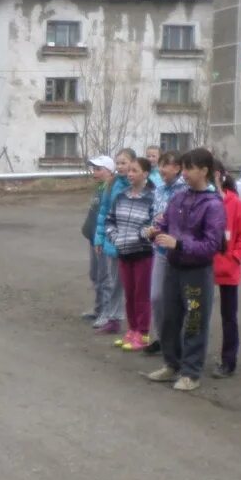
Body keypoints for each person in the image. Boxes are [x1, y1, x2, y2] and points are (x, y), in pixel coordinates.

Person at [144, 147, 226, 391]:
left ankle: (191, 372)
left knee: (194, 322)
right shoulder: (178, 198)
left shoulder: (213, 205)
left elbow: (212, 245)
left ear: (204, 171)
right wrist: (155, 232)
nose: (185, 173)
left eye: (190, 168)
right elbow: (166, 224)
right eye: (184, 167)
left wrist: (178, 243)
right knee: (169, 318)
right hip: (173, 266)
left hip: (197, 272)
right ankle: (172, 364)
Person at [105, 156, 156, 351]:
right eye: (130, 171)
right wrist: (115, 237)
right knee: (129, 294)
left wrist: (138, 236)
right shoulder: (121, 196)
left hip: (142, 253)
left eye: (135, 170)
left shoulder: (152, 197)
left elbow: (154, 225)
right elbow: (110, 221)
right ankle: (132, 329)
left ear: (146, 173)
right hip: (123, 252)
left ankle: (142, 333)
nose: (130, 174)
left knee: (141, 294)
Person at [212, 160, 241, 378]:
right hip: (202, 267)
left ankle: (229, 360)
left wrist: (235, 257)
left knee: (228, 316)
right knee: (196, 312)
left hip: (228, 269)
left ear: (218, 174)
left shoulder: (234, 203)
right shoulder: (201, 200)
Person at [143, 151, 183, 356]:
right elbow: (152, 218)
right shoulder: (158, 190)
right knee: (156, 297)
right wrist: (149, 231)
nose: (160, 169)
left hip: (180, 252)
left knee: (178, 300)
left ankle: (180, 343)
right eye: (160, 165)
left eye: (165, 165)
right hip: (159, 250)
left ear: (177, 168)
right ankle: (162, 337)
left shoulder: (185, 190)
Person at [92, 149, 133, 335]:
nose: (121, 167)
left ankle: (137, 324)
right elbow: (104, 212)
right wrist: (99, 237)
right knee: (115, 281)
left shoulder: (142, 184)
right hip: (114, 240)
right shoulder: (112, 184)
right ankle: (113, 317)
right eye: (119, 163)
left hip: (135, 242)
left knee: (135, 284)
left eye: (124, 162)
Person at [82, 155, 115, 320]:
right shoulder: (100, 188)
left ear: (109, 171)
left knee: (104, 276)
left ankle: (106, 313)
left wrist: (101, 238)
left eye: (98, 169)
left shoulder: (110, 190)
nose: (95, 172)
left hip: (103, 239)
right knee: (95, 274)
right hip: (93, 237)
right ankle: (98, 309)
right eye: (94, 169)